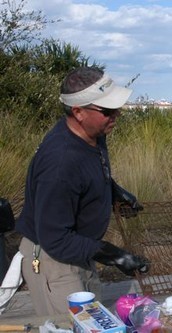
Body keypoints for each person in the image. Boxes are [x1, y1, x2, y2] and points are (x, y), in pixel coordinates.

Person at [15, 67, 149, 316]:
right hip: (54, 259)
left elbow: (89, 172)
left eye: (117, 107)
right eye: (107, 111)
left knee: (94, 322)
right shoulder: (60, 163)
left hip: (81, 251)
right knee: (71, 326)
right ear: (78, 112)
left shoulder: (94, 133)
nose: (116, 115)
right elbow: (54, 239)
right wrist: (112, 254)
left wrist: (113, 191)